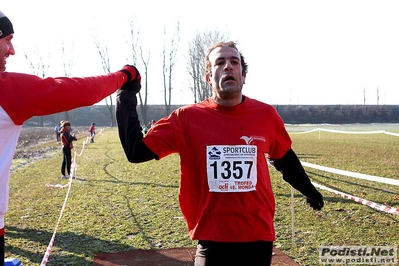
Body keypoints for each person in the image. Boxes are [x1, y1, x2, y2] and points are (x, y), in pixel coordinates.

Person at [116, 41, 324, 266]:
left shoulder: (266, 115)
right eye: (220, 62)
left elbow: (286, 160)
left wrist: (311, 191)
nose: (228, 67)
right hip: (211, 239)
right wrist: (126, 95)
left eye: (234, 62)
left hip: (258, 237)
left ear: (243, 76)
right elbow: (136, 151)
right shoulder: (185, 119)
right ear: (208, 78)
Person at [0, 10, 140, 264]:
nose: (12, 50)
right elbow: (79, 91)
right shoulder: (6, 91)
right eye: (6, 40)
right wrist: (124, 75)